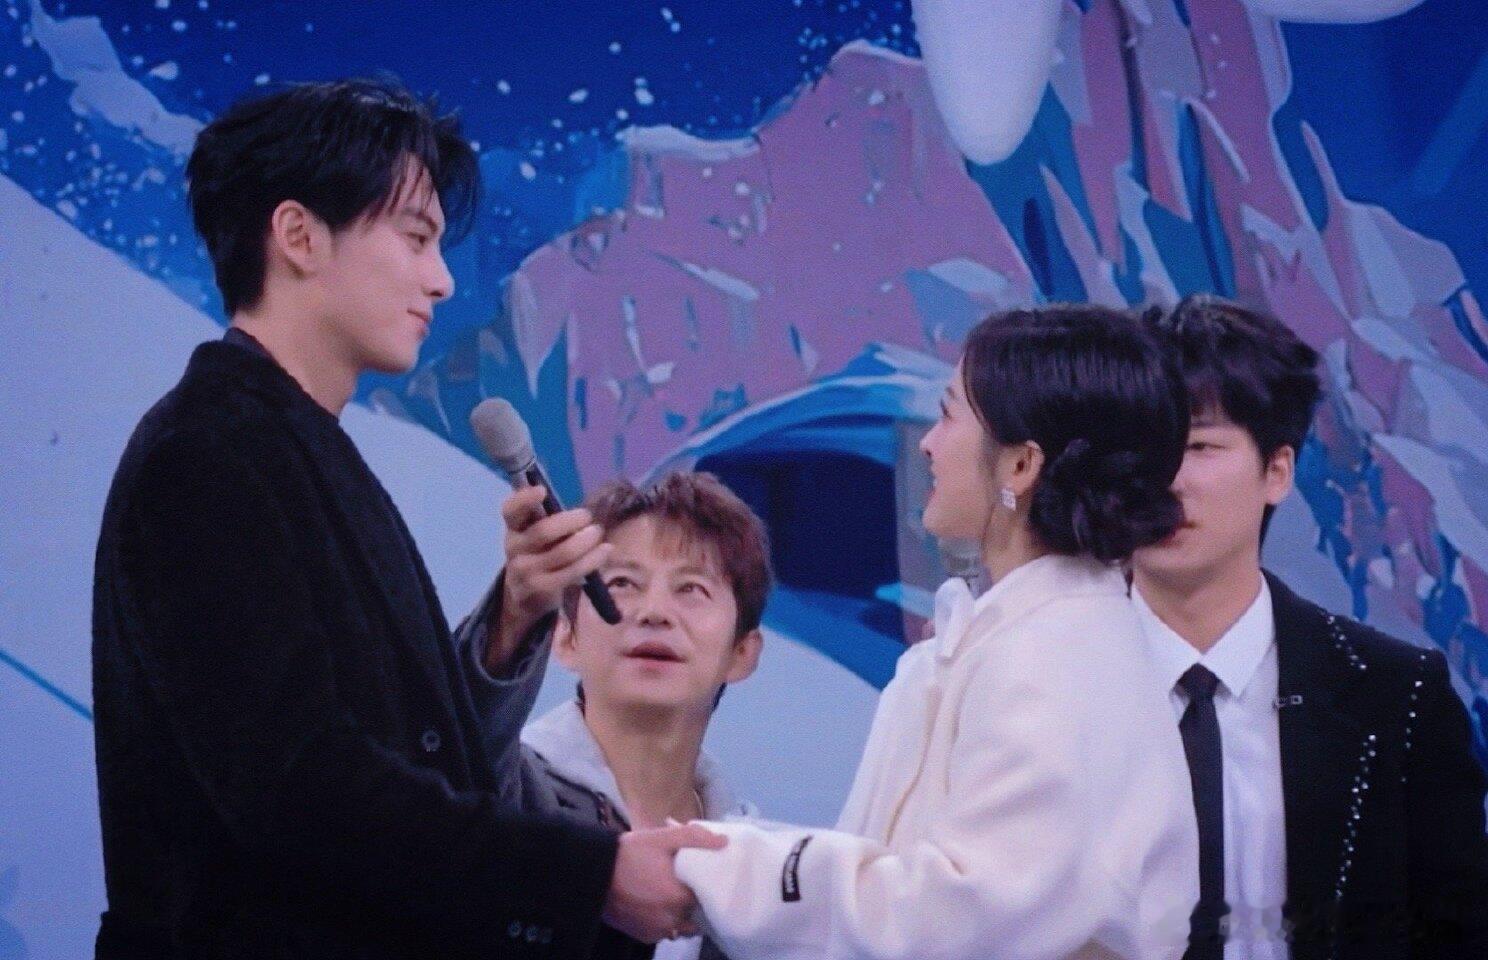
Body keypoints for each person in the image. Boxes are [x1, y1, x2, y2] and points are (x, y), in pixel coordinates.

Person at [90, 77, 720, 960]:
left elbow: (391, 763)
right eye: (417, 238)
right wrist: (590, 876)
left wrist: (513, 619)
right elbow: (301, 791)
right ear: (299, 235)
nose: (442, 279)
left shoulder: (292, 445)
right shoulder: (208, 455)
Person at [672, 304, 1201, 960]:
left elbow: (955, 917)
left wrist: (722, 870)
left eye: (950, 415)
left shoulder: (1057, 660)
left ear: (1019, 467)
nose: (927, 443)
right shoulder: (1007, 641)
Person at [1133, 295, 1488, 960]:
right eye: (1142, 447)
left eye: (1199, 446)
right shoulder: (1043, 683)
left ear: (1277, 472)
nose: (1166, 479)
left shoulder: (1397, 694)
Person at [460, 471, 770, 960]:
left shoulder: (761, 874)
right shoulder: (507, 795)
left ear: (742, 653)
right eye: (622, 583)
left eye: (691, 589)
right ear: (565, 637)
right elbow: (453, 748)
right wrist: (515, 614)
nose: (654, 612)